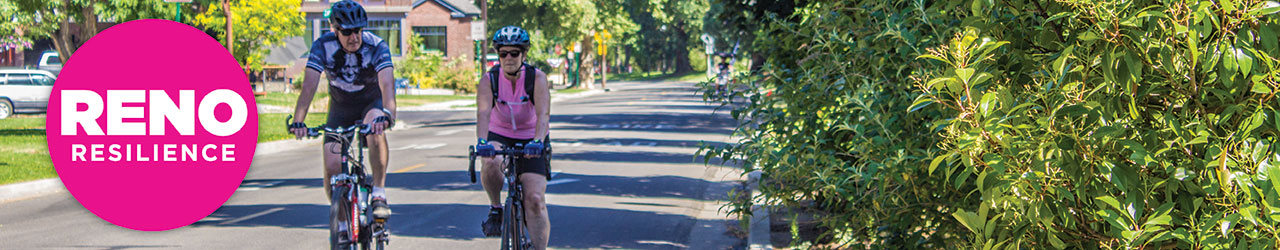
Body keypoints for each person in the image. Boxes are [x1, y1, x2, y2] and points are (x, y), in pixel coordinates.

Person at [287, 0, 395, 233]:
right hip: (341, 106)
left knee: (375, 129)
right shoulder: (322, 46)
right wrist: (298, 121)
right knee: (332, 164)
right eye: (347, 32)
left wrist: (389, 114)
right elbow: (309, 87)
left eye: (358, 30)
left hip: (370, 103)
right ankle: (343, 222)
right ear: (335, 30)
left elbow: (387, 85)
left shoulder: (376, 46)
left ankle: (378, 193)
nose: (354, 37)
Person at [476, 25, 552, 250]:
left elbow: (543, 114)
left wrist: (538, 141)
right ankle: (495, 208)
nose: (508, 58)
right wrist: (482, 142)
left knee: (535, 200)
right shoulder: (489, 79)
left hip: (532, 137)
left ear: (524, 54)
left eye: (514, 53)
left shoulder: (536, 78)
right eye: (503, 53)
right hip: (500, 133)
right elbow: (483, 113)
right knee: (490, 161)